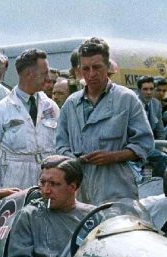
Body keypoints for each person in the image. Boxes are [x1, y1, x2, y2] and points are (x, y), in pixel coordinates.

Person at [56, 37, 153, 204]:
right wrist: (73, 159)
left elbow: (145, 143)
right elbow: (60, 145)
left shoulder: (127, 99)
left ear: (108, 67)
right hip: (78, 188)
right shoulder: (71, 104)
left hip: (116, 186)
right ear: (80, 70)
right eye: (86, 68)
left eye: (97, 67)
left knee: (117, 227)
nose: (91, 74)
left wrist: (113, 157)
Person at [6, 155, 94, 257]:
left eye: (54, 184)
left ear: (73, 187)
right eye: (42, 183)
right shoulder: (30, 215)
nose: (46, 191)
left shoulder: (93, 216)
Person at [0, 48, 59, 190]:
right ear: (29, 74)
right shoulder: (0, 111)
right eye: (44, 73)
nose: (48, 78)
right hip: (14, 185)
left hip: (48, 181)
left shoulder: (51, 107)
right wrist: (4, 176)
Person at [137, 75, 167, 177]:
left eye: (151, 89)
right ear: (139, 90)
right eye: (145, 89)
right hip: (134, 145)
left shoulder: (156, 104)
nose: (149, 92)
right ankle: (152, 185)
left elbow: (160, 131)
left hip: (150, 145)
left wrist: (159, 148)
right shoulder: (132, 103)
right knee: (163, 158)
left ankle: (162, 187)